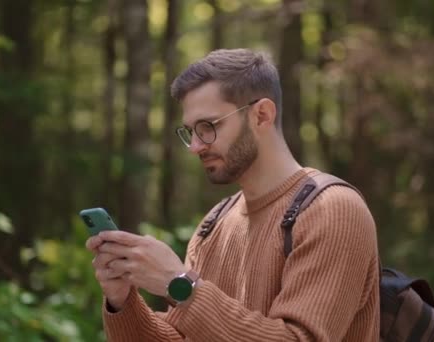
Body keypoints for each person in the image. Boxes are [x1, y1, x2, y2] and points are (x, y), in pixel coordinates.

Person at [86, 48, 380, 341]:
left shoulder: (333, 210)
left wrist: (179, 284)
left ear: (261, 115)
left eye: (209, 127)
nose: (195, 146)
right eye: (190, 131)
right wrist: (123, 302)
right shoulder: (212, 226)